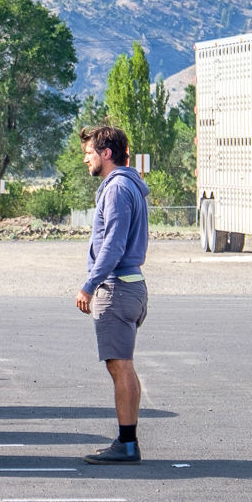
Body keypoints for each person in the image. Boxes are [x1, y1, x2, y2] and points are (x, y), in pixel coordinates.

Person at [76, 125, 149, 464]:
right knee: (123, 366)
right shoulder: (127, 185)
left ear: (106, 154)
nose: (85, 158)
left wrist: (89, 284)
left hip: (118, 288)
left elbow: (114, 245)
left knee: (120, 367)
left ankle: (127, 444)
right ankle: (127, 441)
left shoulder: (117, 188)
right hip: (130, 285)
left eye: (90, 152)